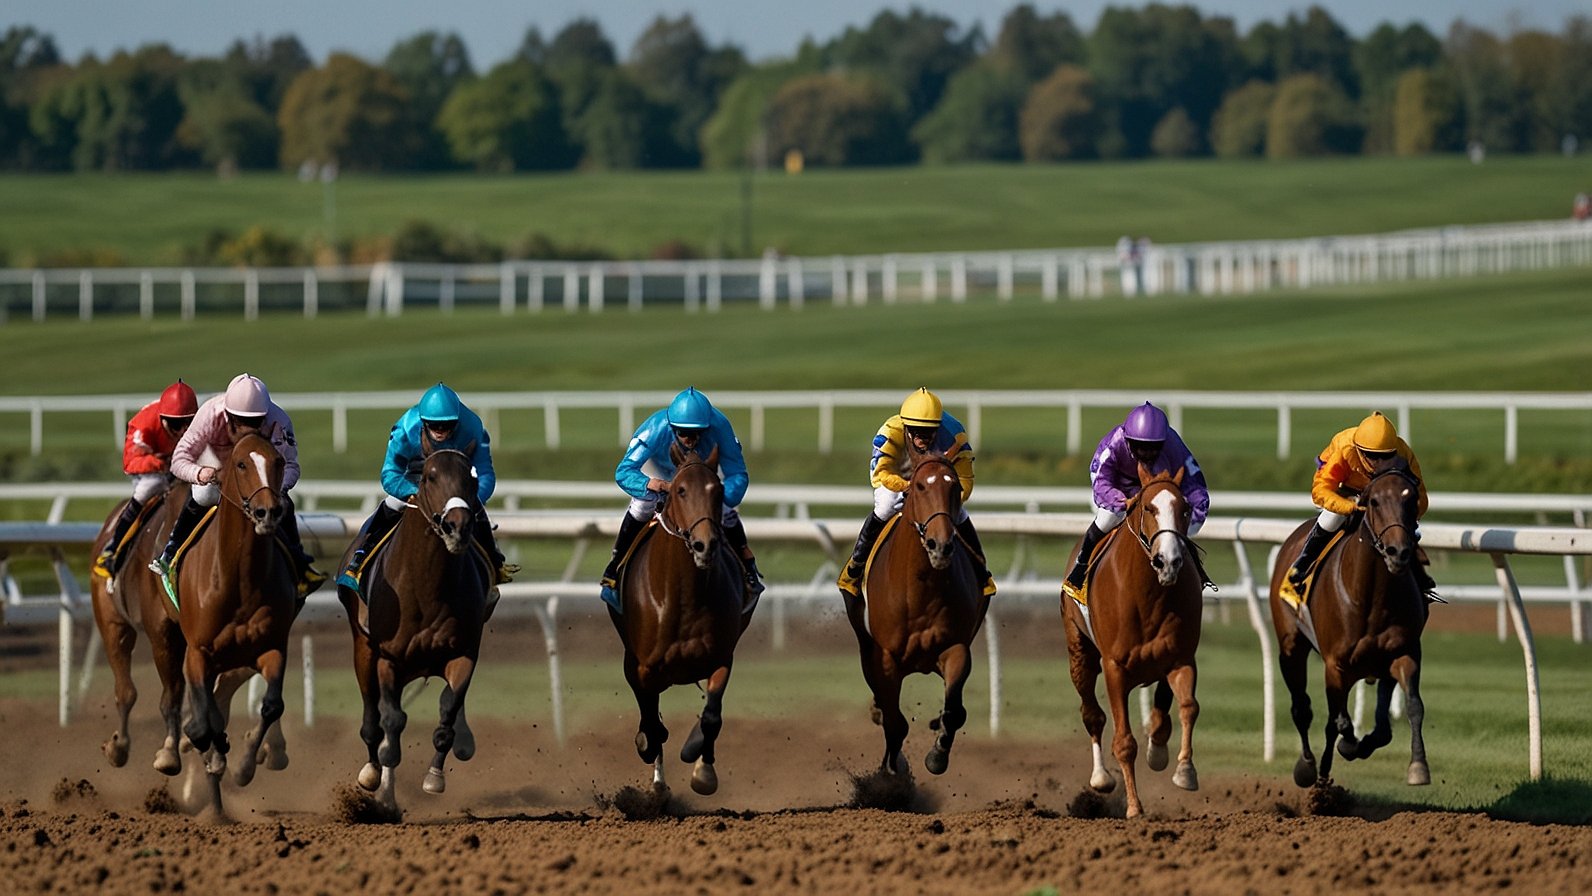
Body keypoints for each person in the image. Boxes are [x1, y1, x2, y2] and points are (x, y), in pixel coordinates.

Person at [148, 373, 326, 600]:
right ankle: (172, 552)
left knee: (282, 503)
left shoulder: (278, 420)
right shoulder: (210, 414)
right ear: (228, 415)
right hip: (216, 463)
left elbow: (291, 464)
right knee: (203, 494)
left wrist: (276, 489)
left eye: (255, 422)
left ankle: (300, 565)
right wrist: (200, 473)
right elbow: (179, 460)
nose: (248, 429)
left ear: (266, 414)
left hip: (257, 475)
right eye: (241, 422)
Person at [336, 382, 514, 591]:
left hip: (454, 482)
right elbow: (390, 474)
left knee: (476, 512)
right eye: (434, 425)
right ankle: (359, 559)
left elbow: (485, 474)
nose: (440, 430)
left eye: (446, 425)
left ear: (456, 421)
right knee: (391, 505)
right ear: (423, 422)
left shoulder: (473, 427)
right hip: (417, 478)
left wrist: (471, 500)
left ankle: (495, 562)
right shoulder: (405, 428)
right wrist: (418, 494)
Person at [599, 387, 762, 608]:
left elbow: (738, 475)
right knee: (642, 503)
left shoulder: (720, 426)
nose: (689, 439)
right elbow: (624, 471)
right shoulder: (656, 428)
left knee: (723, 509)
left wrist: (720, 498)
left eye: (695, 433)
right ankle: (614, 568)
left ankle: (747, 565)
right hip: (660, 472)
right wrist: (651, 483)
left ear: (706, 427)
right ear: (672, 427)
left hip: (703, 475)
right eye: (682, 432)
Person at [835, 387, 995, 599]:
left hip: (936, 482)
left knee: (958, 514)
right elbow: (881, 474)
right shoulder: (891, 432)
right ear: (906, 427)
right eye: (917, 432)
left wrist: (943, 496)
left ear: (938, 427)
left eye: (929, 432)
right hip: (896, 476)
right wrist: (908, 487)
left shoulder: (955, 437)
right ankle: (854, 569)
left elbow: (965, 482)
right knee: (885, 507)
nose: (923, 438)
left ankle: (982, 573)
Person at [1062, 402, 1210, 602]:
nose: (1147, 453)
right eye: (1141, 447)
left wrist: (1193, 516)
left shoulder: (1173, 444)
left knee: (1171, 526)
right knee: (1108, 518)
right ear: (1128, 439)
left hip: (1155, 491)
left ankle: (1198, 576)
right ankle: (1079, 570)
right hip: (1118, 492)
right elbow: (1101, 480)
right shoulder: (1113, 443)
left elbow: (1194, 483)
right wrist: (1124, 502)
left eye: (1153, 448)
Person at [1285, 411, 1433, 593]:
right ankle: (1304, 562)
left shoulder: (1403, 454)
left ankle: (1418, 574)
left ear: (1394, 451)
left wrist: (1405, 515)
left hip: (1384, 494)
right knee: (1332, 517)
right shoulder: (1345, 449)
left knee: (1402, 526)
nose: (1379, 462)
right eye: (1372, 456)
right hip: (1346, 487)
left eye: (1387, 456)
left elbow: (1421, 497)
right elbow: (1320, 491)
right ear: (1360, 451)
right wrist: (1350, 506)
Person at [92, 379, 198, 579]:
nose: (184, 430)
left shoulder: (198, 421)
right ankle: (112, 550)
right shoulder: (143, 425)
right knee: (149, 487)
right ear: (163, 418)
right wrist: (163, 465)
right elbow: (130, 464)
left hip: (178, 463)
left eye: (189, 423)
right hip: (150, 466)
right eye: (177, 424)